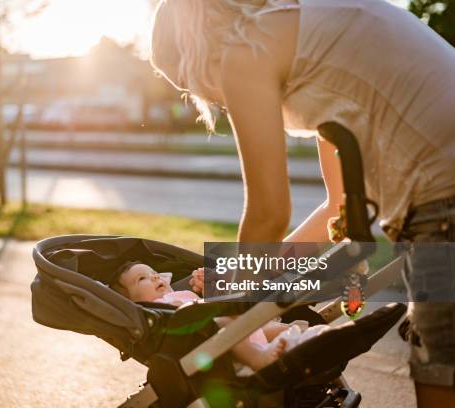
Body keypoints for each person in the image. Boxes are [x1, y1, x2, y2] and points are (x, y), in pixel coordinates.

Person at [149, 0, 455, 405]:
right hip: (440, 185)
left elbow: (267, 213)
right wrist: (242, 276)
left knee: (440, 375)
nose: (206, 97)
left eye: (187, 84)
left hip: (443, 194)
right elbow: (338, 206)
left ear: (195, 52)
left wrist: (232, 301)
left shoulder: (246, 51)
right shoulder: (310, 33)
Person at [110, 261, 330, 371]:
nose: (154, 276)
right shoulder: (153, 311)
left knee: (276, 327)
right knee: (224, 316)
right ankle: (257, 357)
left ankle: (309, 339)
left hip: (241, 328)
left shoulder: (183, 294)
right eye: (142, 279)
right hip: (215, 342)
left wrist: (209, 289)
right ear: (132, 301)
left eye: (153, 272)